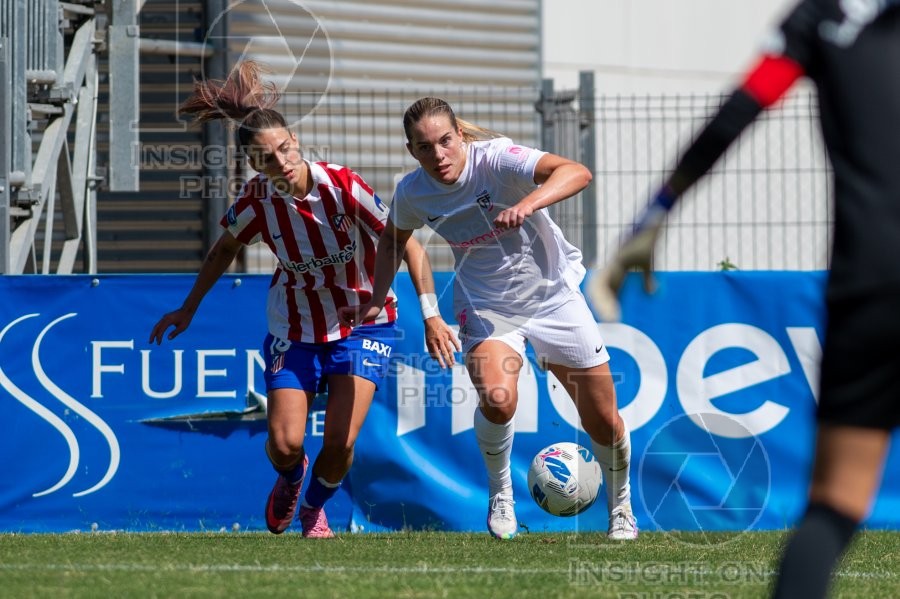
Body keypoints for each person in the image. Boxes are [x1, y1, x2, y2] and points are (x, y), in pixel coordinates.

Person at [590, 1, 900, 596]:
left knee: (835, 505)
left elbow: (741, 109)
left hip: (872, 281)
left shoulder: (822, 16)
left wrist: (655, 214)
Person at [149, 62, 458, 538]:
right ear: (255, 165)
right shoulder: (255, 203)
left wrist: (431, 313)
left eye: (285, 149)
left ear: (295, 141)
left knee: (339, 442)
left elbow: (408, 243)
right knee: (284, 441)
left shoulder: (342, 185)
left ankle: (315, 505)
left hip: (365, 323)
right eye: (267, 157)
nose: (282, 162)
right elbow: (223, 249)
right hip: (294, 327)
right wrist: (188, 307)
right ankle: (292, 478)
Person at [339, 97, 638, 541]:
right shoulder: (412, 192)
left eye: (445, 141)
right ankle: (501, 496)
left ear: (460, 135)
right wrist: (377, 297)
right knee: (498, 399)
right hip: (486, 306)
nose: (438, 155)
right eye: (425, 147)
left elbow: (577, 172)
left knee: (604, 421)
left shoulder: (497, 159)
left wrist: (531, 202)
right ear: (412, 152)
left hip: (554, 297)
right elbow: (392, 241)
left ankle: (622, 509)